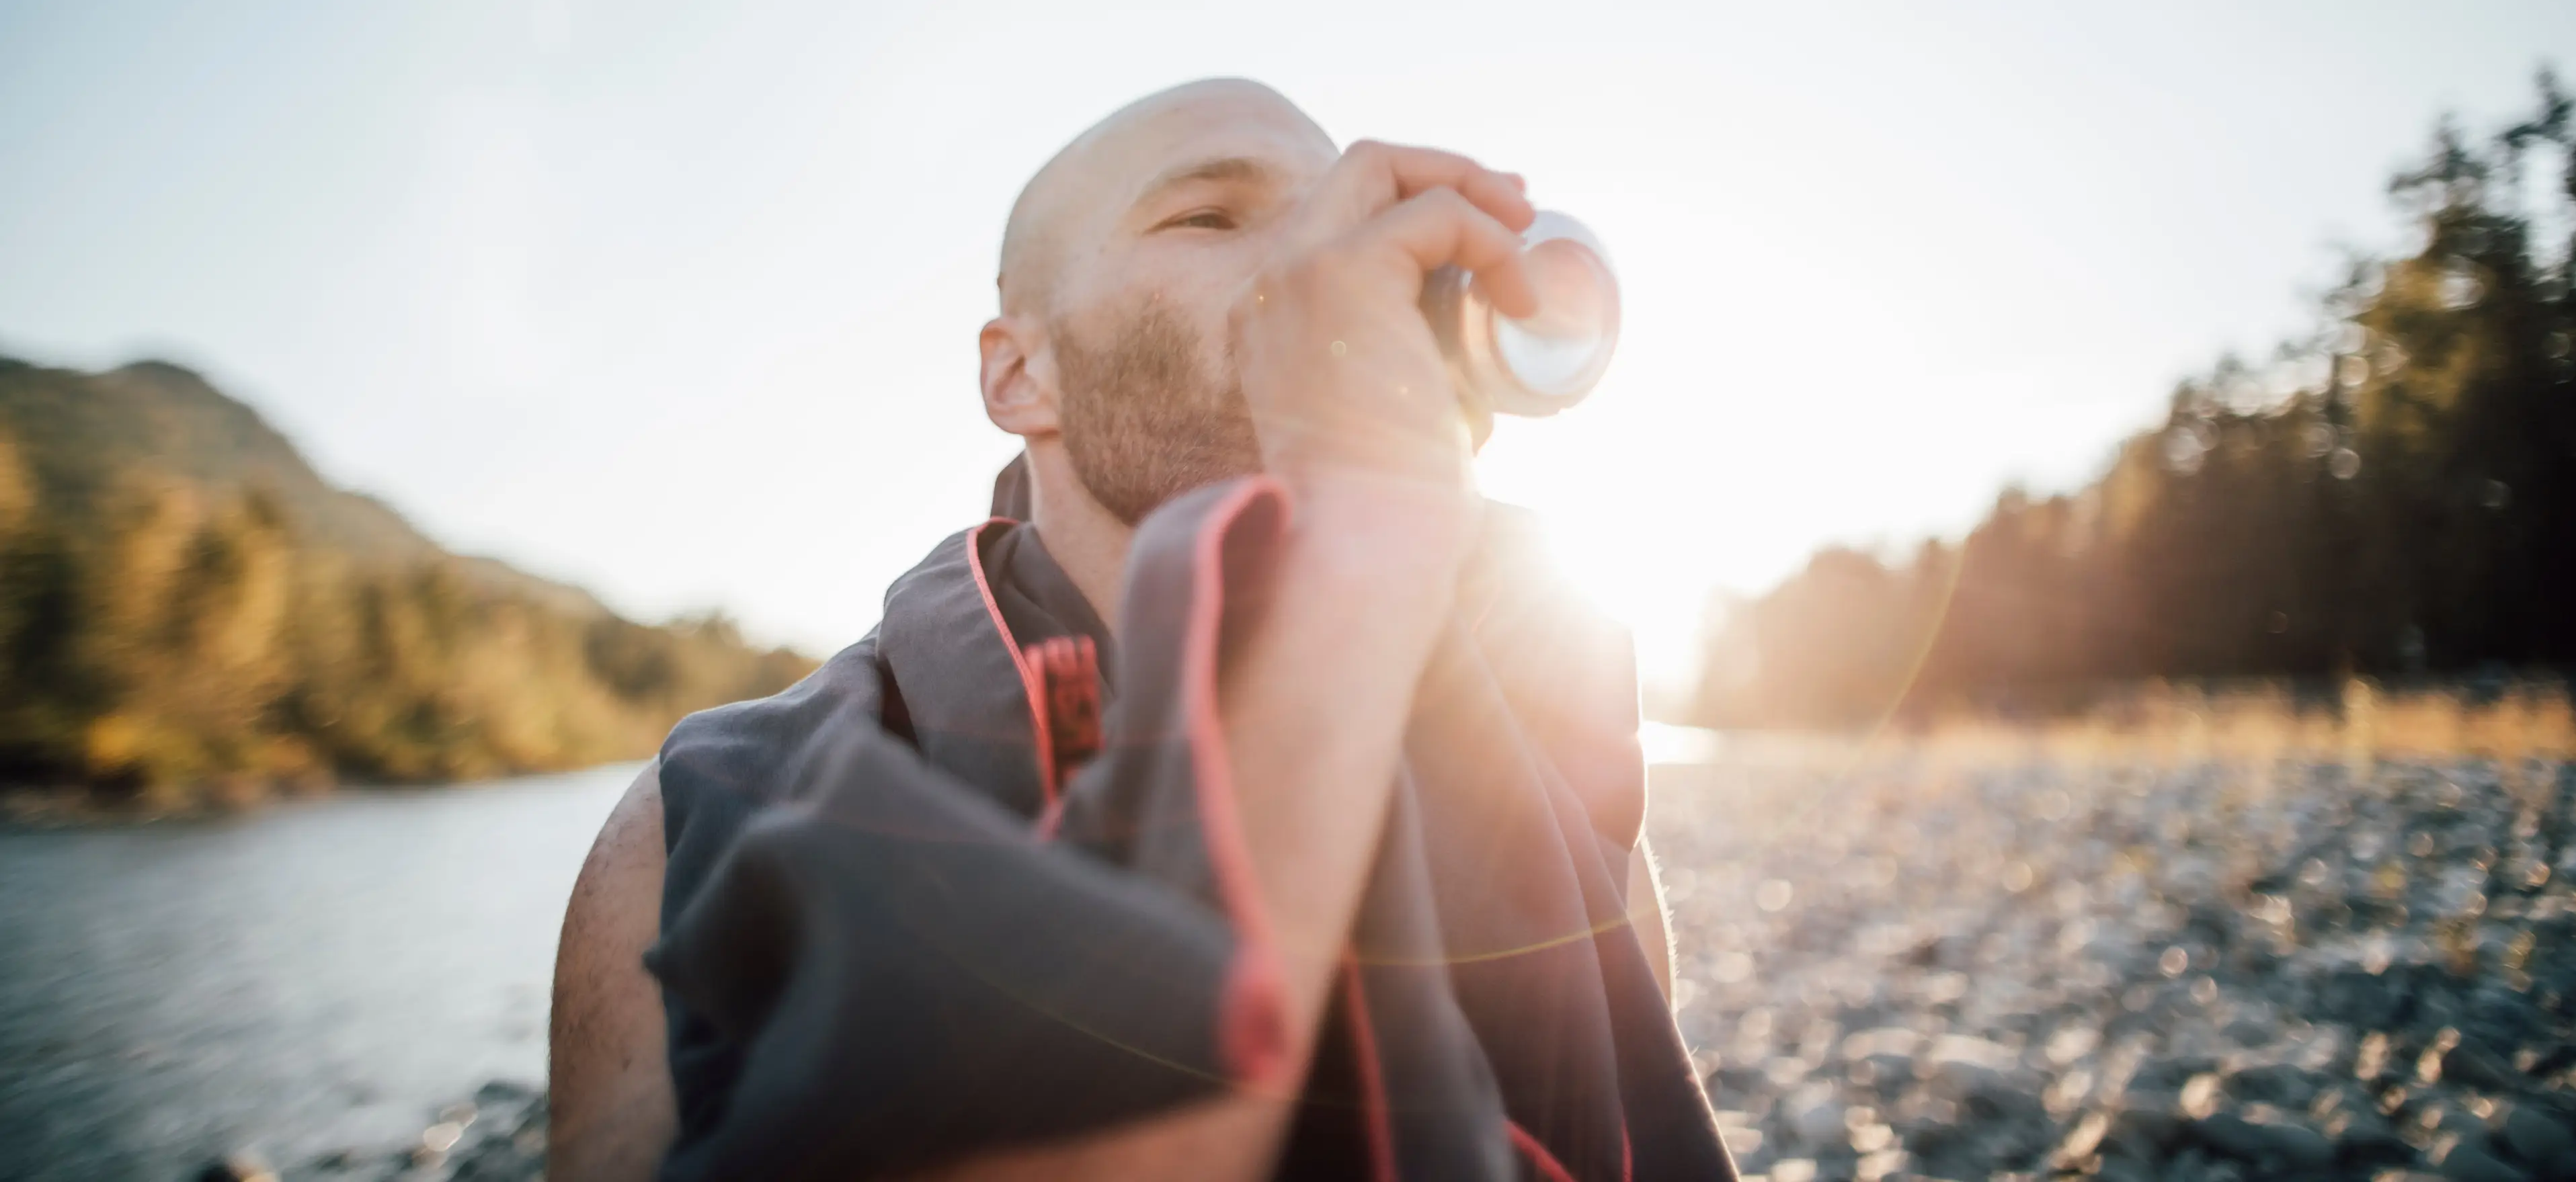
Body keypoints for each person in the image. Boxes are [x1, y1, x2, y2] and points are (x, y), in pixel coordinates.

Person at [549, 79, 1734, 1181]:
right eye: (1212, 219)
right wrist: (1356, 546)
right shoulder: (701, 818)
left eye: (1340, 221)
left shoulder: (1559, 757)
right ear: (1022, 375)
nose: (1326, 264)